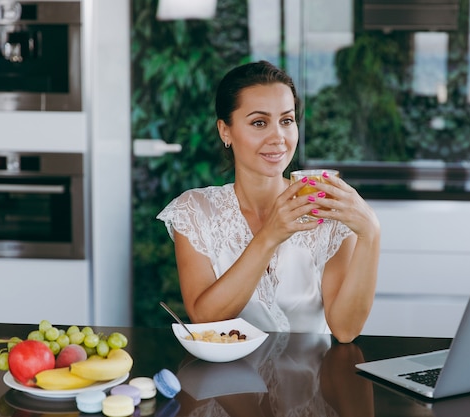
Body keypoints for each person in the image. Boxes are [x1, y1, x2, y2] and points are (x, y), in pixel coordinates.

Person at [157, 60, 380, 343]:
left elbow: (346, 331)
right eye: (259, 122)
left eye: (286, 121)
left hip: (312, 384)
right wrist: (270, 235)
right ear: (225, 131)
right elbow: (205, 320)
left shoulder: (324, 209)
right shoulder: (195, 211)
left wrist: (370, 233)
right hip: (227, 384)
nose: (278, 137)